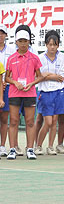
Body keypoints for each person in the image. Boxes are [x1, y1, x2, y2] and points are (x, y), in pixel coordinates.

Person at [6, 25, 45, 160]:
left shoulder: (34, 58)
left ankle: (30, 149)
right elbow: (6, 77)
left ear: (29, 42)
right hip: (14, 93)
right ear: (16, 42)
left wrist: (31, 84)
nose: (23, 44)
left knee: (29, 122)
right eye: (20, 41)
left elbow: (40, 76)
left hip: (30, 94)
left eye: (25, 41)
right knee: (14, 121)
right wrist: (15, 83)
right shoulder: (11, 58)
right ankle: (12, 149)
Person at [34, 30, 64, 155]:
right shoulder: (39, 58)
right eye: (50, 44)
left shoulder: (63, 57)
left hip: (59, 92)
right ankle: (38, 145)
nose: (52, 47)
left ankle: (51, 146)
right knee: (47, 121)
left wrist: (61, 76)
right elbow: (37, 75)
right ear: (46, 44)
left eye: (54, 44)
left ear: (58, 45)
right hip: (45, 92)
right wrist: (52, 76)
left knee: (56, 120)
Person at [0, 24, 16, 157]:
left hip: (8, 87)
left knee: (5, 118)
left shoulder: (12, 51)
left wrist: (5, 82)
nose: (0, 36)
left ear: (6, 35)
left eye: (2, 33)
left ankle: (2, 146)